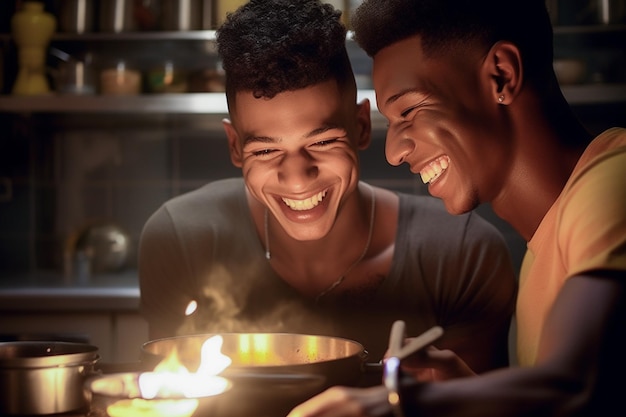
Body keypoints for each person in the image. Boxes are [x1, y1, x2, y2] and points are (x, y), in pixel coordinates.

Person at [138, 0, 517, 382]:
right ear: (235, 146)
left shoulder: (462, 254)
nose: (298, 178)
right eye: (267, 150)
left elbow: (477, 404)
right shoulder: (180, 238)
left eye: (322, 143)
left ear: (361, 127)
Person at [287, 0, 626, 416]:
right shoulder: (551, 235)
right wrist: (468, 391)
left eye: (409, 110)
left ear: (501, 75)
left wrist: (396, 403)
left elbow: (575, 385)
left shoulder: (613, 185)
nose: (393, 151)